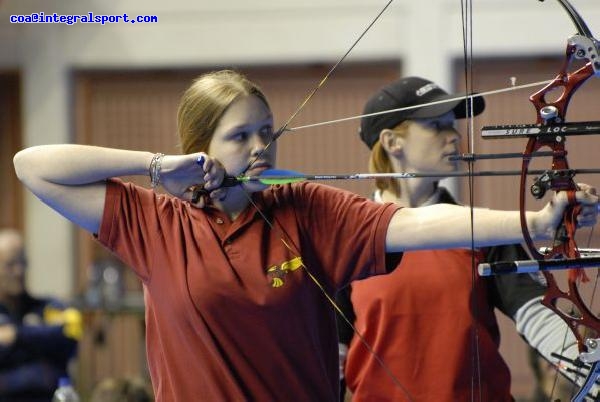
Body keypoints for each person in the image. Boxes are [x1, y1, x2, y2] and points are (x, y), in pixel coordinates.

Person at [12, 70, 598, 402]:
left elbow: (413, 224)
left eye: (267, 132)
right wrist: (158, 165)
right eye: (240, 136)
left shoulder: (305, 209)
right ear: (201, 147)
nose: (260, 148)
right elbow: (32, 164)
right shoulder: (153, 223)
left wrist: (537, 223)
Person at [337, 76, 598, 402]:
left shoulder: (483, 231)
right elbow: (330, 355)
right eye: (436, 126)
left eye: (453, 125)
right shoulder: (349, 239)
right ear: (392, 142)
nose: (455, 135)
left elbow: (537, 313)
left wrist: (591, 373)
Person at [0, 229, 82, 402]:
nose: (19, 271)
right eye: (10, 265)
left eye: (23, 262)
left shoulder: (47, 307)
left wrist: (17, 335)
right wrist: (41, 339)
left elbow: (69, 335)